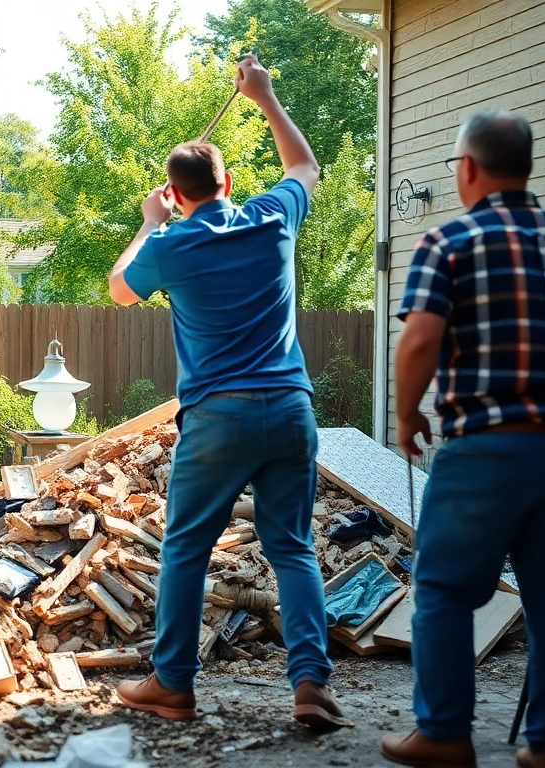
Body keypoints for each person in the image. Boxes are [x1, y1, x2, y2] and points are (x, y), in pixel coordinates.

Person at [381, 110, 545, 768]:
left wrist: (407, 415)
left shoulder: (449, 243)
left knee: (441, 591)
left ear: (467, 169)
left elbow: (419, 341)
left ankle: (444, 734)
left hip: (482, 451)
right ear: (524, 168)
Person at [106, 53, 349, 730]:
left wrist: (152, 220)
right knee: (293, 547)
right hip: (291, 408)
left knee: (186, 546)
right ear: (230, 182)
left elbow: (119, 288)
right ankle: (310, 685)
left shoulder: (173, 243)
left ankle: (173, 684)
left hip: (218, 415)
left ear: (176, 194)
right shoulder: (272, 218)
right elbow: (305, 168)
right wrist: (265, 98)